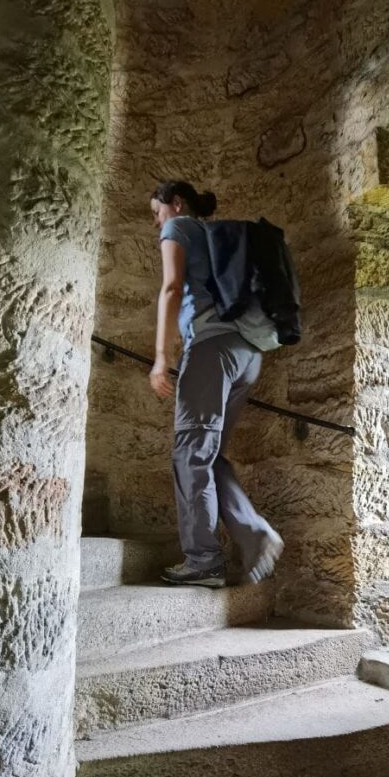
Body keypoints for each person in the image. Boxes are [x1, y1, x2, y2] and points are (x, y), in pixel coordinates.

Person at [149, 180, 284, 588]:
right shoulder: (215, 237)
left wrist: (161, 358)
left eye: (156, 212)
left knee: (190, 454)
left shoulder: (179, 228)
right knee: (209, 455)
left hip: (211, 350)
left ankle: (203, 559)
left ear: (176, 204)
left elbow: (171, 288)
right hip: (247, 355)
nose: (156, 223)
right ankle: (254, 533)